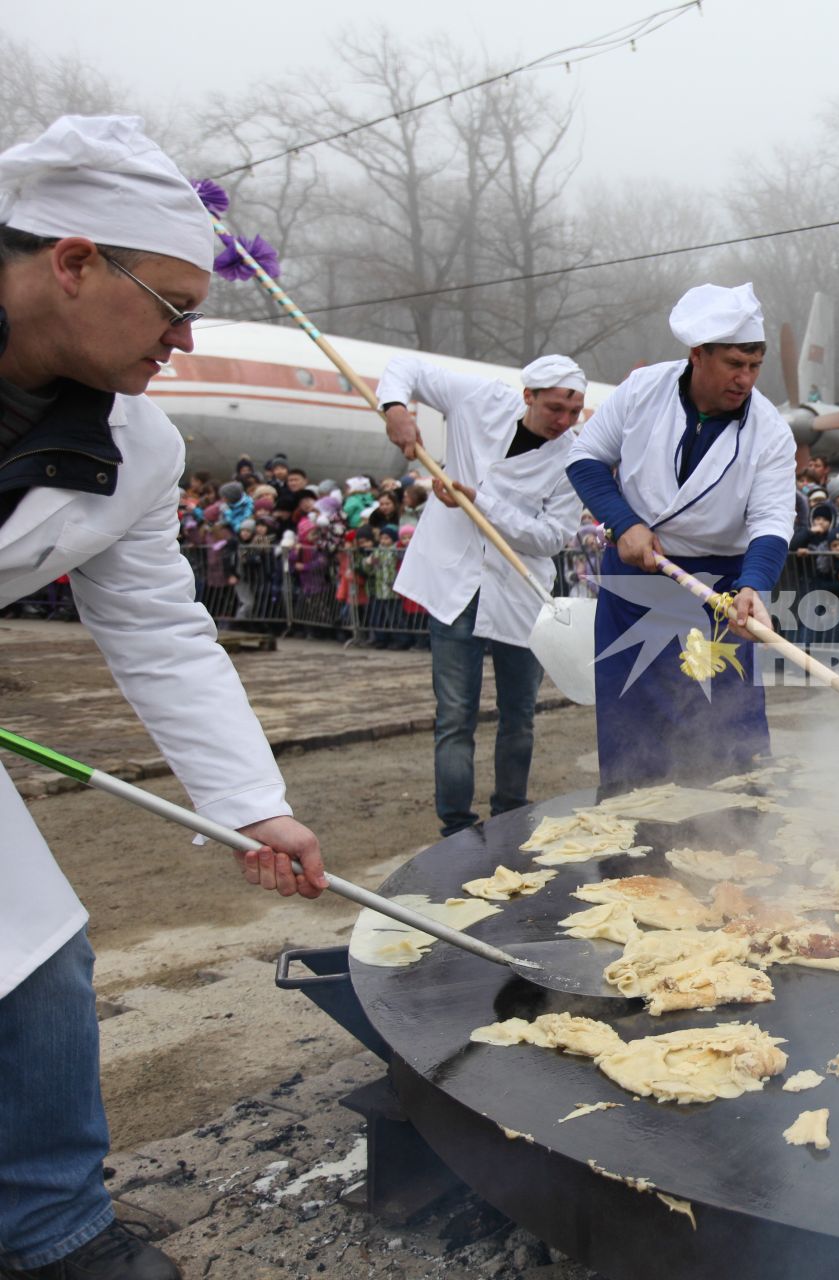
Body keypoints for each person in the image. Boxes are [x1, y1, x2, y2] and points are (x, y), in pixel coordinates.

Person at [0, 114, 328, 1280]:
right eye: (173, 306)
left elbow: (155, 627)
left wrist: (251, 800)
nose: (186, 341)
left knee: (35, 955)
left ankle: (52, 1235)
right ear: (74, 262)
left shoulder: (139, 449)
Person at [566, 282, 796, 788]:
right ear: (698, 355)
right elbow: (584, 458)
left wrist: (753, 586)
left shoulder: (771, 430)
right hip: (636, 585)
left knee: (727, 741)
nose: (746, 379)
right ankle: (631, 846)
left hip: (720, 591)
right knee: (634, 733)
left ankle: (737, 847)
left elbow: (772, 521)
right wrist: (623, 522)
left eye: (755, 366)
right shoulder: (642, 389)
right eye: (735, 364)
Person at [378, 350, 586, 837]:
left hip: (520, 591)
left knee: (519, 714)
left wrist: (482, 503)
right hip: (455, 583)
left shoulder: (573, 456)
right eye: (555, 408)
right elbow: (404, 367)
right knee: (455, 713)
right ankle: (456, 826)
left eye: (574, 412)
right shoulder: (478, 399)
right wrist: (396, 409)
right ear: (527, 396)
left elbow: (551, 537)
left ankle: (511, 813)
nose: (564, 421)